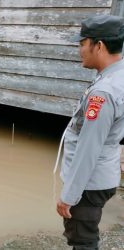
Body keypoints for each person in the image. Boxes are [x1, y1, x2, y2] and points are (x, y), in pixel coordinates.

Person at [56, 15, 124, 250]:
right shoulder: (118, 76)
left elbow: (88, 149)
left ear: (100, 45)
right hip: (105, 173)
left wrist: (69, 195)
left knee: (82, 240)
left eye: (82, 43)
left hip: (89, 183)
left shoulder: (103, 93)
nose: (80, 50)